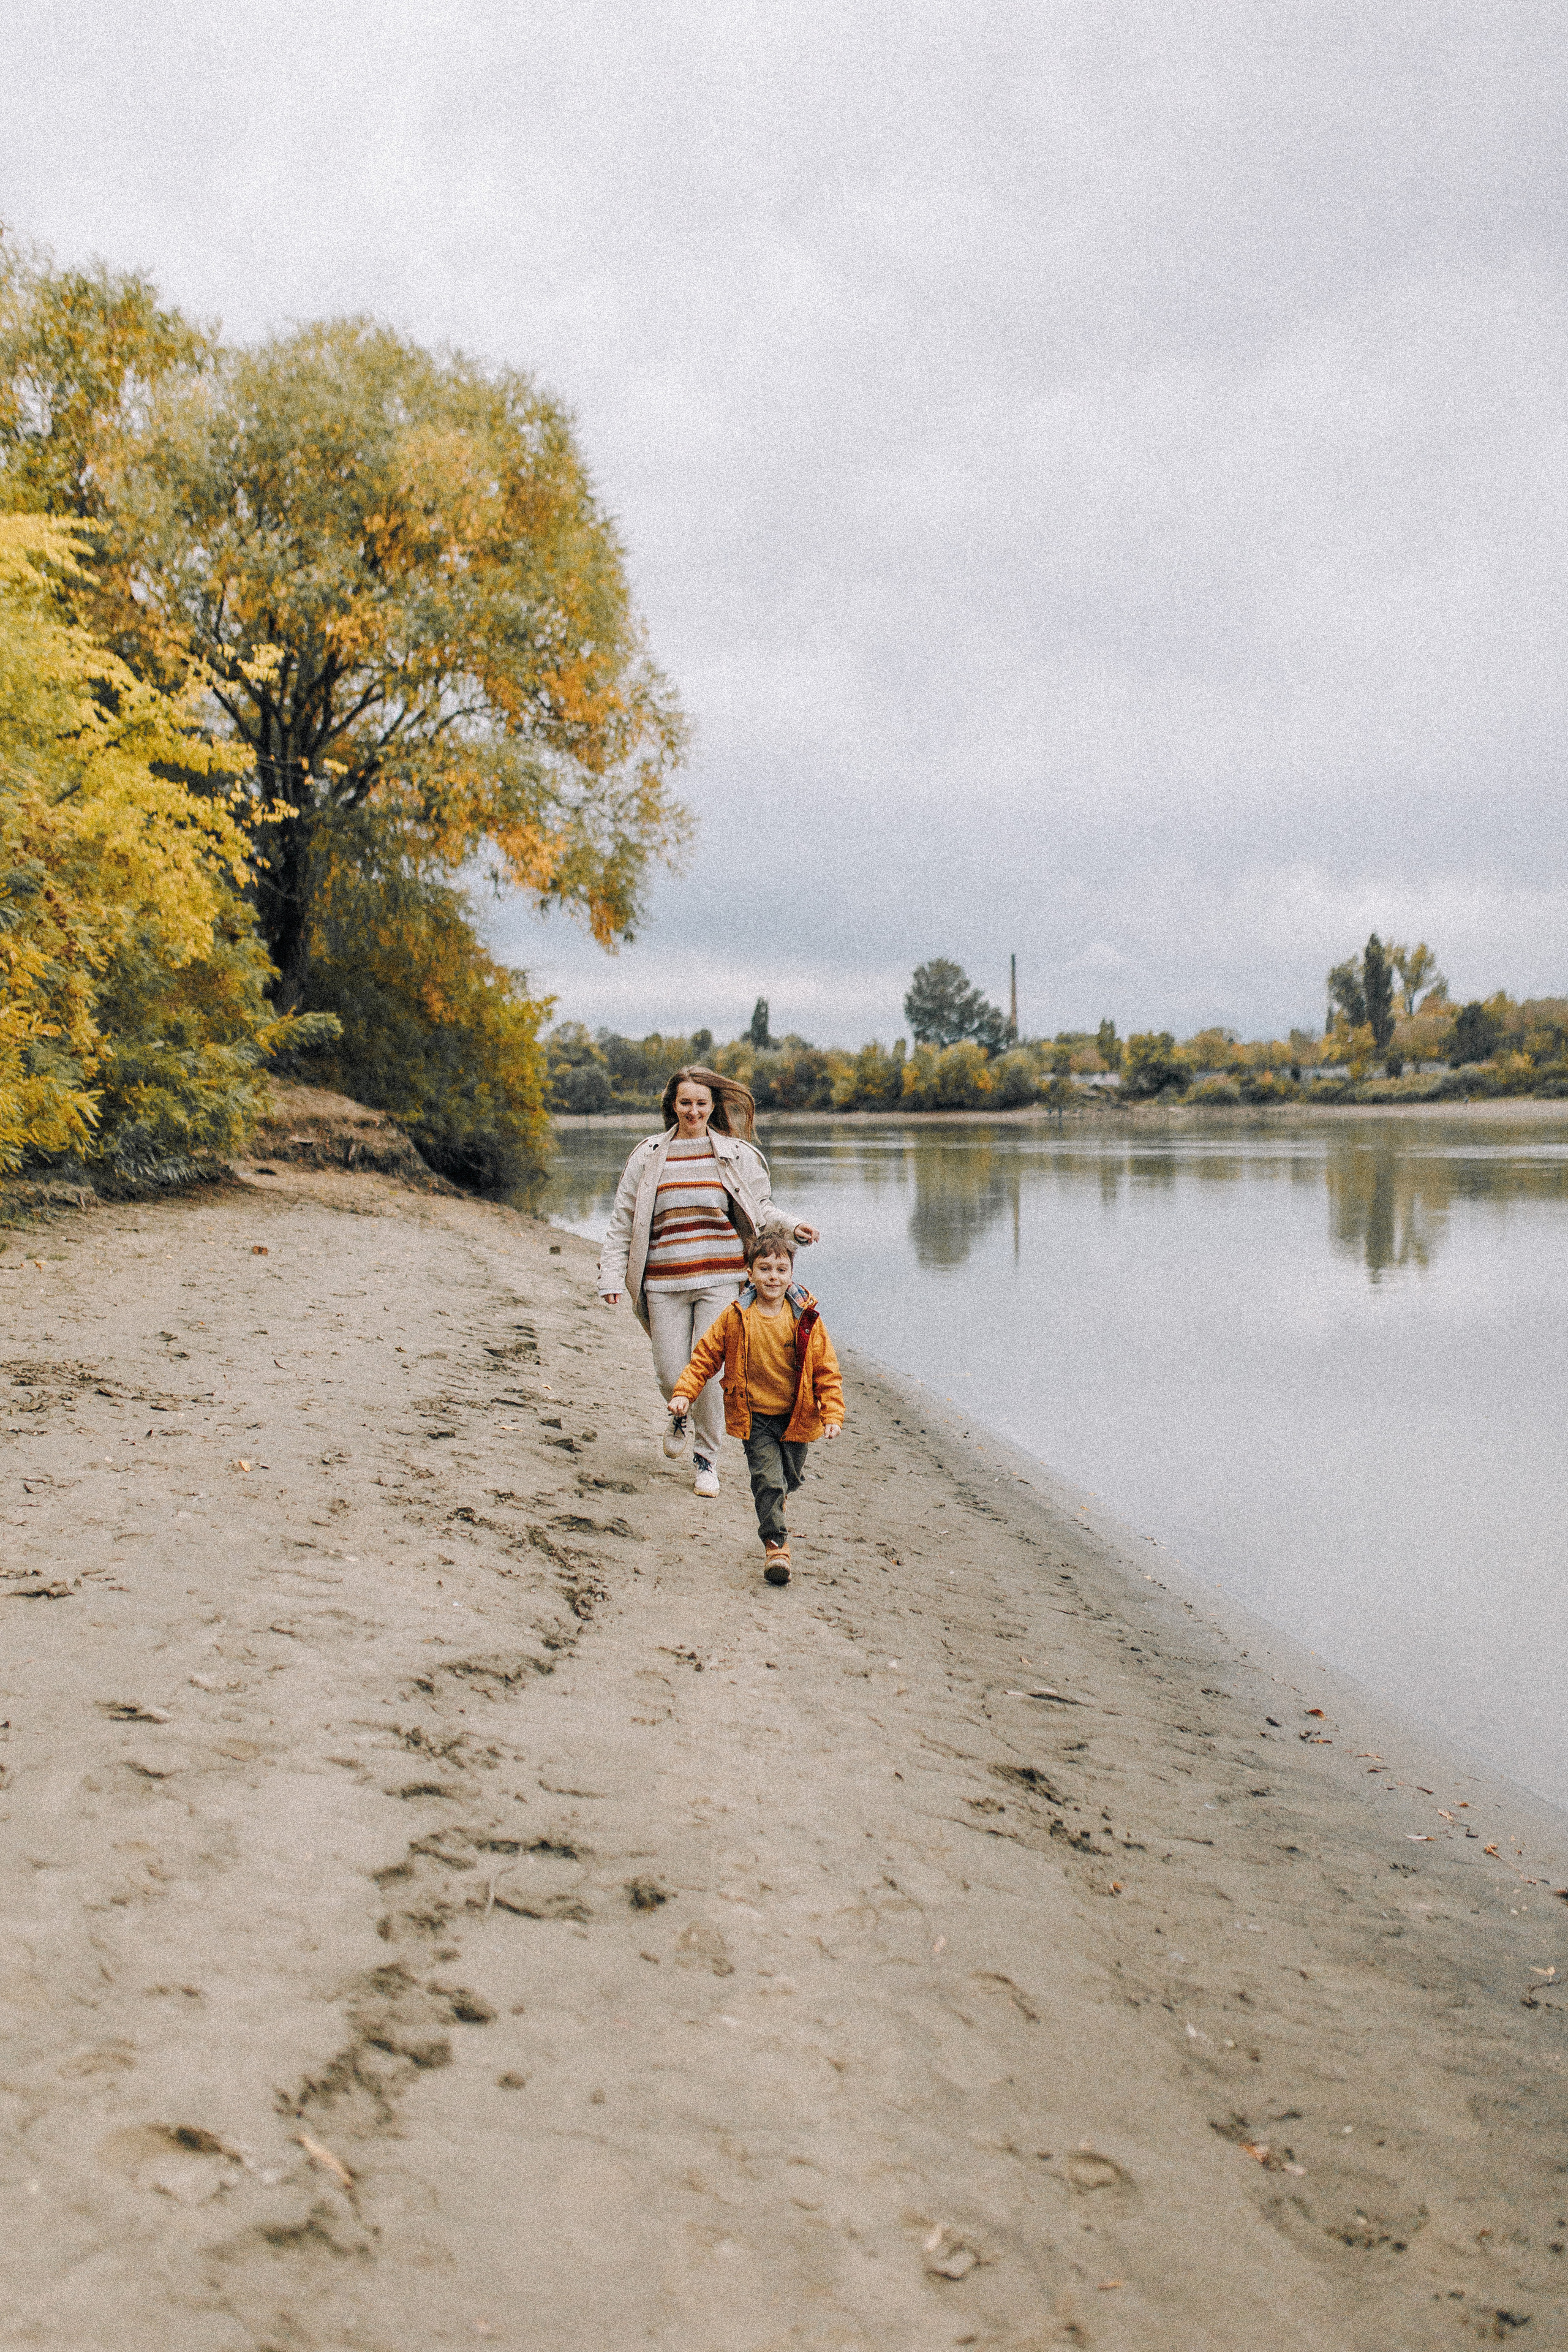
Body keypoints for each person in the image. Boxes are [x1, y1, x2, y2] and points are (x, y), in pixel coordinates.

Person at [598, 1065, 819, 1497]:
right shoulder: (649, 1155)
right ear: (673, 1105)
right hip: (662, 1282)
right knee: (671, 1373)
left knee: (711, 1373)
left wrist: (792, 1227)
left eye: (701, 1103)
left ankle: (706, 1460)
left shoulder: (736, 1155)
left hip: (721, 1278)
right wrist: (610, 1276)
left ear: (713, 1105)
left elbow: (761, 1207)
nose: (693, 1111)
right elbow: (623, 1219)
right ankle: (679, 1412)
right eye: (686, 1103)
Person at [665, 1222, 843, 1586]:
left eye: (781, 1270)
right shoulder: (736, 1317)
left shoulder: (805, 1318)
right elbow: (705, 1356)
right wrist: (685, 1392)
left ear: (791, 1274)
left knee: (789, 1479)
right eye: (764, 1269)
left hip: (796, 1417)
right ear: (749, 1273)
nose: (773, 1277)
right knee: (767, 1480)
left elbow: (826, 1369)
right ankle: (776, 1547)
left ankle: (776, 1501)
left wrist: (832, 1413)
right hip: (756, 1416)